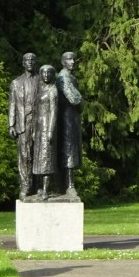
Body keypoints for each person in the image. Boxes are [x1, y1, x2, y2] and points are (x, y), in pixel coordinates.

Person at [8, 53, 40, 198]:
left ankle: (38, 186)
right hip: (23, 123)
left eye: (33, 60)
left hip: (39, 123)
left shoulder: (41, 80)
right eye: (27, 60)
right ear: (23, 63)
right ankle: (25, 186)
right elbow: (12, 104)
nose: (30, 62)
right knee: (24, 155)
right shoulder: (16, 83)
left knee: (38, 154)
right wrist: (11, 125)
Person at [56, 52, 82, 199]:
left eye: (73, 59)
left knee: (72, 149)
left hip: (72, 118)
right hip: (66, 119)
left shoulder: (70, 77)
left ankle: (66, 185)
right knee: (69, 150)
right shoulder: (63, 77)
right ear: (63, 61)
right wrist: (81, 100)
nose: (72, 62)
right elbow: (74, 99)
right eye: (69, 59)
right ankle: (69, 186)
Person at [32, 65, 59, 199]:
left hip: (47, 126)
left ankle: (45, 190)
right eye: (44, 73)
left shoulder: (53, 91)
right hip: (39, 127)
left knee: (47, 159)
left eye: (49, 73)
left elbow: (54, 112)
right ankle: (39, 188)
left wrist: (50, 130)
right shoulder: (41, 89)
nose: (46, 75)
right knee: (39, 159)